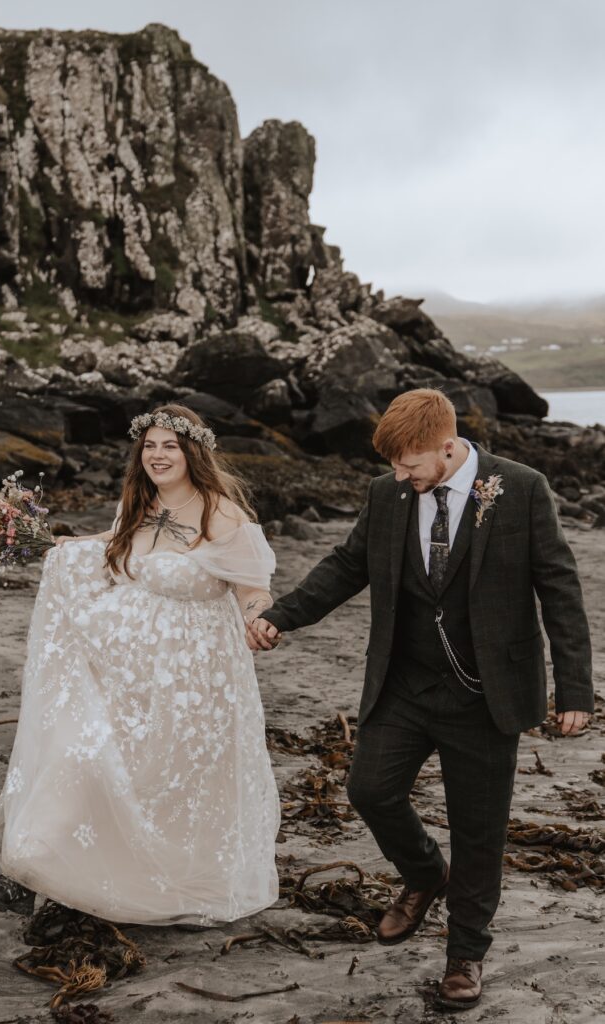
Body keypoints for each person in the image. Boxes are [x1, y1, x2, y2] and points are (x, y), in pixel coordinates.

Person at [248, 388, 593, 1011]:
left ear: (446, 444)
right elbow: (348, 564)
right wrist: (283, 617)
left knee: (479, 831)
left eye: (408, 463)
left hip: (485, 696)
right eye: (394, 466)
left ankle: (465, 952)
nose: (400, 476)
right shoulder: (389, 495)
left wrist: (575, 690)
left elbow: (560, 589)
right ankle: (425, 874)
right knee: (369, 790)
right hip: (403, 683)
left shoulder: (521, 487)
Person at [0, 404, 281, 926]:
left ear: (193, 453)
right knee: (82, 753)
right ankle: (25, 875)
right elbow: (108, 547)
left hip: (190, 677)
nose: (158, 456)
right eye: (150, 446)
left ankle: (148, 882)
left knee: (160, 779)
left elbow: (253, 589)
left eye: (170, 446)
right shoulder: (137, 504)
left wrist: (261, 621)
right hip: (120, 666)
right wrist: (58, 545)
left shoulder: (223, 515)